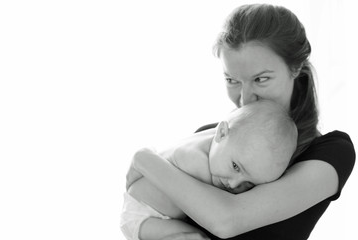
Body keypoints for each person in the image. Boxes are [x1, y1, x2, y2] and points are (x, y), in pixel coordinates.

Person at [126, 3, 356, 240]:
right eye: (232, 80)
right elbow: (144, 207)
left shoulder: (330, 152)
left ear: (295, 67)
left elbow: (226, 221)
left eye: (261, 79)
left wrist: (143, 159)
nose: (245, 98)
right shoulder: (210, 136)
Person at [121, 100, 297, 240]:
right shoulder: (196, 163)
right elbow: (222, 212)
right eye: (235, 166)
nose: (234, 184)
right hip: (142, 215)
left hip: (147, 207)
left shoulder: (219, 140)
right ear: (221, 132)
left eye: (249, 183)